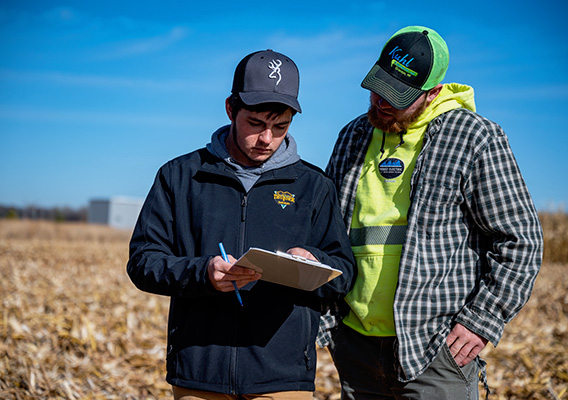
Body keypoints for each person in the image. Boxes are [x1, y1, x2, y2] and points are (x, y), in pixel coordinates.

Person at [318, 26, 543, 399]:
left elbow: (520, 240)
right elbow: (328, 231)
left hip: (435, 351)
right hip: (355, 348)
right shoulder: (352, 136)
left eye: (397, 95)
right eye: (377, 88)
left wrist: (481, 321)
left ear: (433, 92)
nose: (381, 102)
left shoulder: (475, 138)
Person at [126, 49, 355, 400]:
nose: (267, 139)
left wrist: (312, 265)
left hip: (283, 378)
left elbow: (344, 271)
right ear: (231, 109)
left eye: (280, 127)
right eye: (256, 123)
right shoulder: (180, 176)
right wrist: (203, 273)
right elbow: (143, 261)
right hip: (199, 374)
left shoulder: (315, 185)